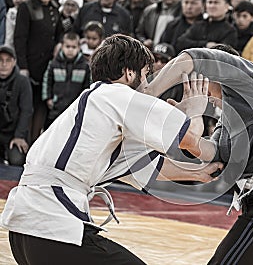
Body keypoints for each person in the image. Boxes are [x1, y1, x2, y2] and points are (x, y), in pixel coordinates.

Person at [0, 34, 223, 264]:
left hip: (23, 232)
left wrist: (197, 173)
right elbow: (190, 140)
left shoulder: (94, 108)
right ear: (129, 73)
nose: (148, 86)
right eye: (146, 75)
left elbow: (146, 167)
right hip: (53, 227)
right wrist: (195, 110)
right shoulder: (118, 95)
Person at [142, 44, 253, 264]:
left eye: (202, 79)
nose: (199, 86)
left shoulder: (247, 78)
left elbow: (193, 56)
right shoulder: (228, 116)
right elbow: (214, 155)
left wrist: (149, 93)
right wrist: (188, 118)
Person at [14, 0, 63, 142]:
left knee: (41, 105)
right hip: (30, 65)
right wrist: (23, 67)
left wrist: (59, 44)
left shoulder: (54, 7)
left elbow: (61, 31)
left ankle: (34, 144)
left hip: (47, 67)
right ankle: (22, 143)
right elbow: (19, 39)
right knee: (27, 105)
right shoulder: (26, 7)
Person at [42, 32, 91, 129]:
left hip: (75, 107)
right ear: (62, 46)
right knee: (53, 130)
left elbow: (88, 85)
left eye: (74, 47)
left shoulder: (84, 66)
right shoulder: (54, 63)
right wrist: (48, 98)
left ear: (79, 48)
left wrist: (84, 102)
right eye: (67, 46)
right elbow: (47, 81)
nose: (70, 50)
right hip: (56, 106)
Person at [0, 45, 32, 166]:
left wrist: (19, 136)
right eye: (0, 60)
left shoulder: (23, 82)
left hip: (13, 133)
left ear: (14, 62)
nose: (3, 64)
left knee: (17, 159)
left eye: (8, 60)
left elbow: (27, 110)